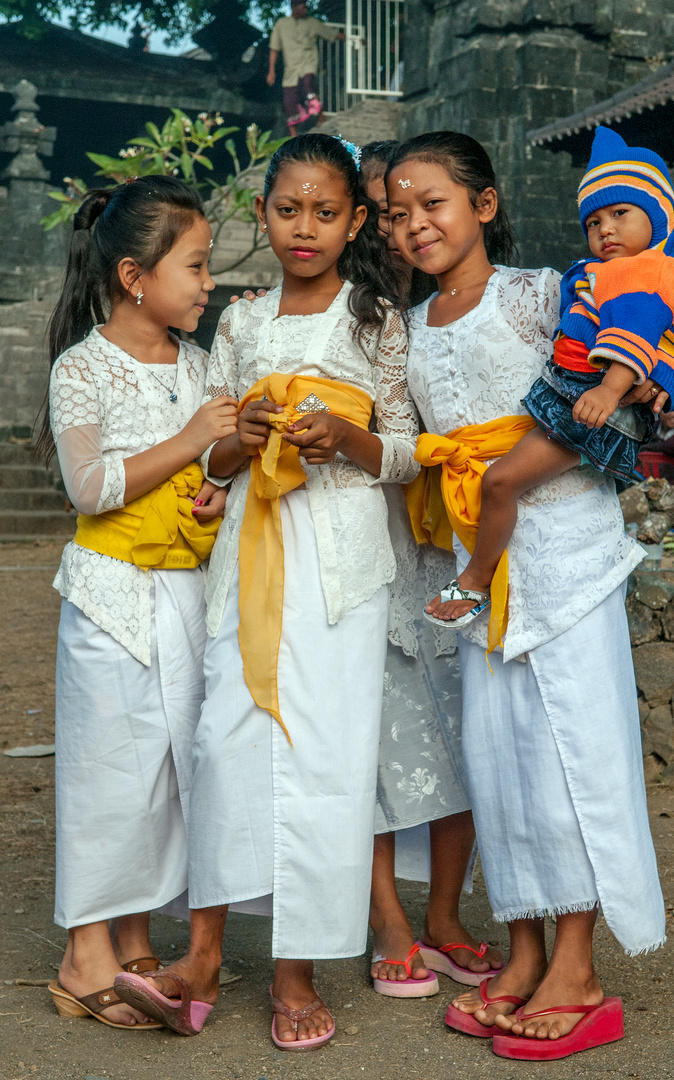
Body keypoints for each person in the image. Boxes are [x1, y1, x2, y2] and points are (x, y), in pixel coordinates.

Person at [113, 133, 420, 1049]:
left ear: (356, 220)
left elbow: (405, 452)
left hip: (342, 568)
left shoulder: (377, 319)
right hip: (246, 557)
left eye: (327, 212)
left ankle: (297, 969)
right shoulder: (240, 324)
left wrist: (348, 441)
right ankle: (202, 956)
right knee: (229, 737)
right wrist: (241, 436)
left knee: (326, 756)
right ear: (262, 214)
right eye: (288, 210)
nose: (306, 228)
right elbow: (207, 449)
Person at [387, 130, 666, 1061]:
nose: (415, 223)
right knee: (498, 761)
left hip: (566, 555)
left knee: (568, 755)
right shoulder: (409, 329)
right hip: (479, 567)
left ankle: (579, 968)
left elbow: (615, 391)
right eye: (397, 210)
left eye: (434, 202)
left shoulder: (545, 293)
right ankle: (521, 950)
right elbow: (418, 447)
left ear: (486, 206)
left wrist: (507, 479)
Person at [40, 176, 237, 1029]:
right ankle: (84, 952)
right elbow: (89, 486)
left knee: (170, 769)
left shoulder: (201, 365)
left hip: (190, 592)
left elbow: (216, 467)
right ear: (133, 276)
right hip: (111, 596)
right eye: (195, 267)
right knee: (107, 770)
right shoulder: (81, 367)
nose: (208, 284)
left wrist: (216, 483)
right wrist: (192, 439)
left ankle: (135, 937)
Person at [421, 126, 674, 634]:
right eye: (594, 220)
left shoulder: (646, 272)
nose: (606, 229)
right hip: (577, 393)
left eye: (621, 214)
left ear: (659, 218)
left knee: (501, 481)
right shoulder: (604, 271)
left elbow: (636, 331)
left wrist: (611, 388)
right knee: (506, 480)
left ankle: (475, 579)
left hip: (596, 401)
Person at [359, 140, 504, 995]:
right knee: (371, 738)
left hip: (451, 547)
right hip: (366, 542)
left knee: (462, 733)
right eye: (382, 210)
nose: (399, 225)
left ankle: (446, 915)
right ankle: (391, 923)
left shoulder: (477, 301)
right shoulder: (354, 314)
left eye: (411, 206)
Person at [267, 0, 344, 133]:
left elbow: (332, 34)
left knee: (309, 88)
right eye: (303, 8)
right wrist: (271, 71)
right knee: (289, 102)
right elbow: (274, 48)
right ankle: (294, 138)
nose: (305, 11)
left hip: (308, 64)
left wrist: (353, 38)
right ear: (293, 7)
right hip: (291, 69)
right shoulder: (282, 24)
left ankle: (321, 117)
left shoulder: (312, 22)